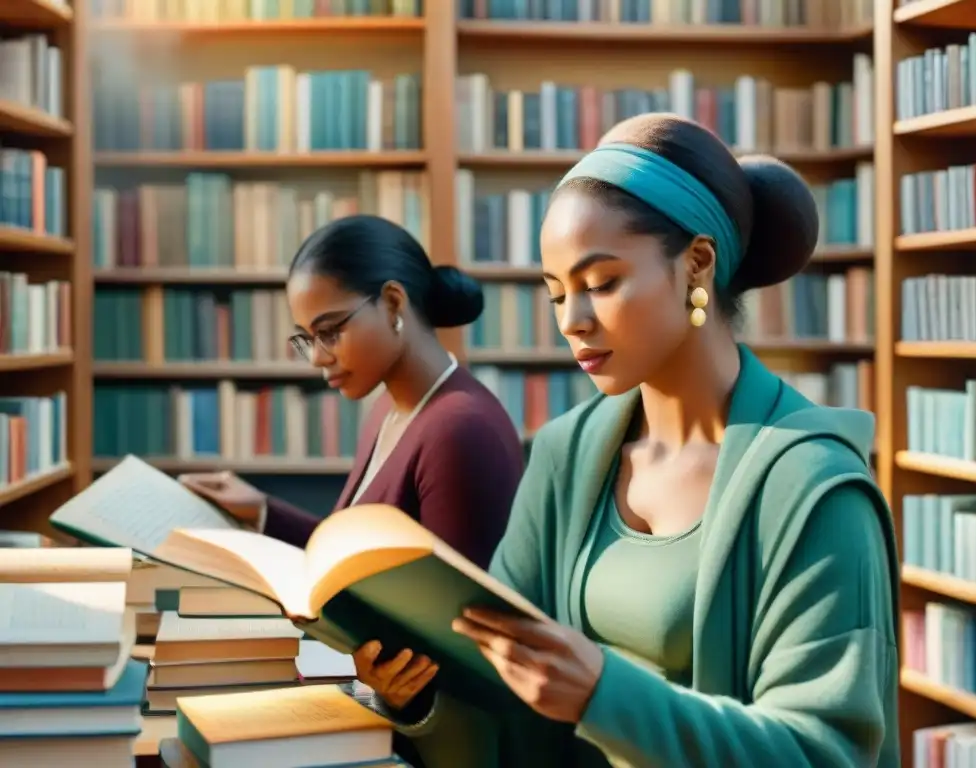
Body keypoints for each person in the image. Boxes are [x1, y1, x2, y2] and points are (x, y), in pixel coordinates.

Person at [355, 114, 901, 768]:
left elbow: (824, 752)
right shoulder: (563, 455)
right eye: (557, 294)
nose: (573, 322)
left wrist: (602, 694)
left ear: (697, 265)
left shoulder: (813, 489)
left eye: (602, 283)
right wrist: (415, 700)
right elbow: (495, 699)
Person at [177, 215, 526, 724]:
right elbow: (358, 561)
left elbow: (462, 644)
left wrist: (392, 691)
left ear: (392, 303)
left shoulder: (460, 430)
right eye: (305, 339)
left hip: (435, 734)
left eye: (330, 331)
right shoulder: (389, 410)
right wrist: (261, 513)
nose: (318, 358)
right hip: (376, 700)